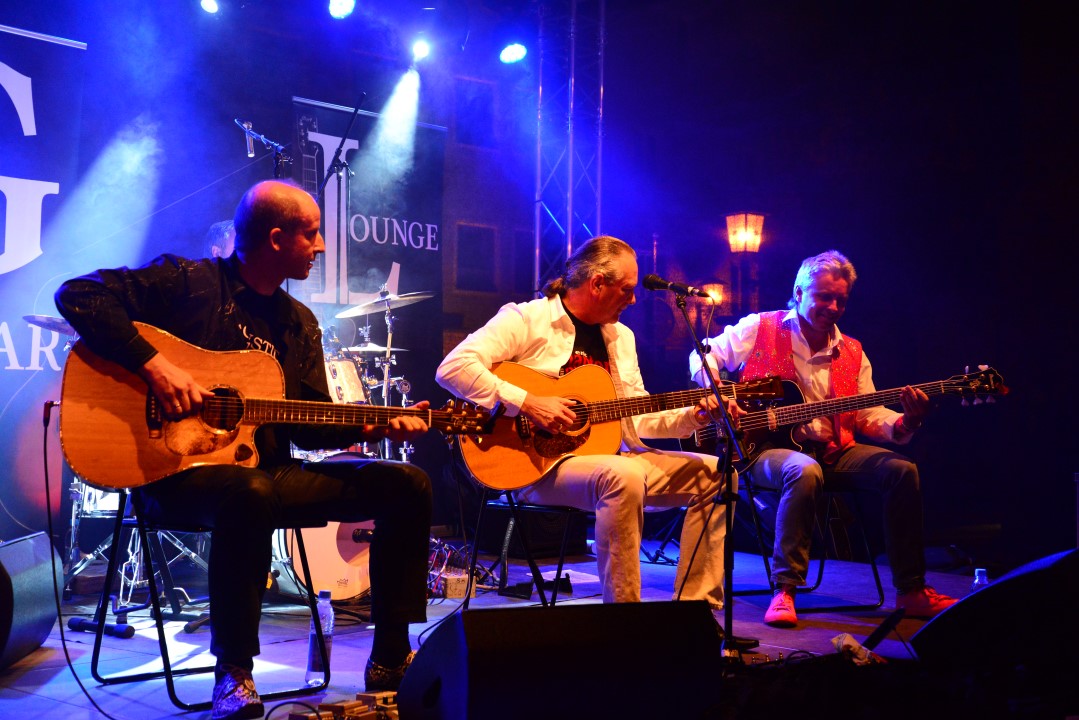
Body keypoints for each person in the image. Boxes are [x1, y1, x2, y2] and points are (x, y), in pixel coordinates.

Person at [55, 180, 432, 720]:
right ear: (275, 239)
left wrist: (374, 427)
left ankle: (391, 658)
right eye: (311, 233)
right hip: (171, 475)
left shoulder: (298, 322)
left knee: (406, 484)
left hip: (264, 473)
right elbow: (78, 295)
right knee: (249, 492)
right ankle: (233, 673)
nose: (321, 245)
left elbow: (311, 428)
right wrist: (156, 367)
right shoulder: (188, 283)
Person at [436, 235, 735, 608]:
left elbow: (635, 415)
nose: (634, 300)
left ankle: (695, 610)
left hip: (611, 460)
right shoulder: (527, 319)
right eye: (626, 289)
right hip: (536, 466)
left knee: (718, 474)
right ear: (597, 284)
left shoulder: (620, 337)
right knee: (623, 475)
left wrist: (695, 415)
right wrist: (528, 402)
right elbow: (454, 367)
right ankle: (622, 616)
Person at [689, 249, 957, 628]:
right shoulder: (761, 327)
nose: (833, 307)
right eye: (824, 297)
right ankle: (785, 589)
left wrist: (907, 421)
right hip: (764, 450)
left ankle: (911, 590)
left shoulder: (853, 351)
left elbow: (867, 415)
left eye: (841, 300)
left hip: (834, 451)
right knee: (803, 469)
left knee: (901, 470)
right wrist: (720, 394)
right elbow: (702, 356)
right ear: (799, 293)